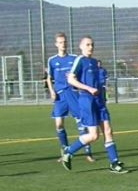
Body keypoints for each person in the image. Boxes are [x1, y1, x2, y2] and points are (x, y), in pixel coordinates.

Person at [61, 36, 127, 173]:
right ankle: (69, 151)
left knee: (108, 130)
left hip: (99, 101)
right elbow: (71, 80)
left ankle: (114, 163)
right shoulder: (80, 60)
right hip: (87, 100)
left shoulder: (95, 62)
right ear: (81, 46)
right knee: (93, 136)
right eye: (87, 44)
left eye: (92, 45)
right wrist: (89, 88)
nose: (90, 47)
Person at [47, 33, 93, 162]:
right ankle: (65, 150)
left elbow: (79, 74)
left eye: (65, 42)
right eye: (60, 42)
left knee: (81, 123)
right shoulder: (52, 60)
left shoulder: (74, 58)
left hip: (73, 93)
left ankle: (88, 153)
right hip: (60, 96)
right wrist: (51, 91)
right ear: (56, 44)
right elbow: (49, 78)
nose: (63, 44)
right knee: (59, 125)